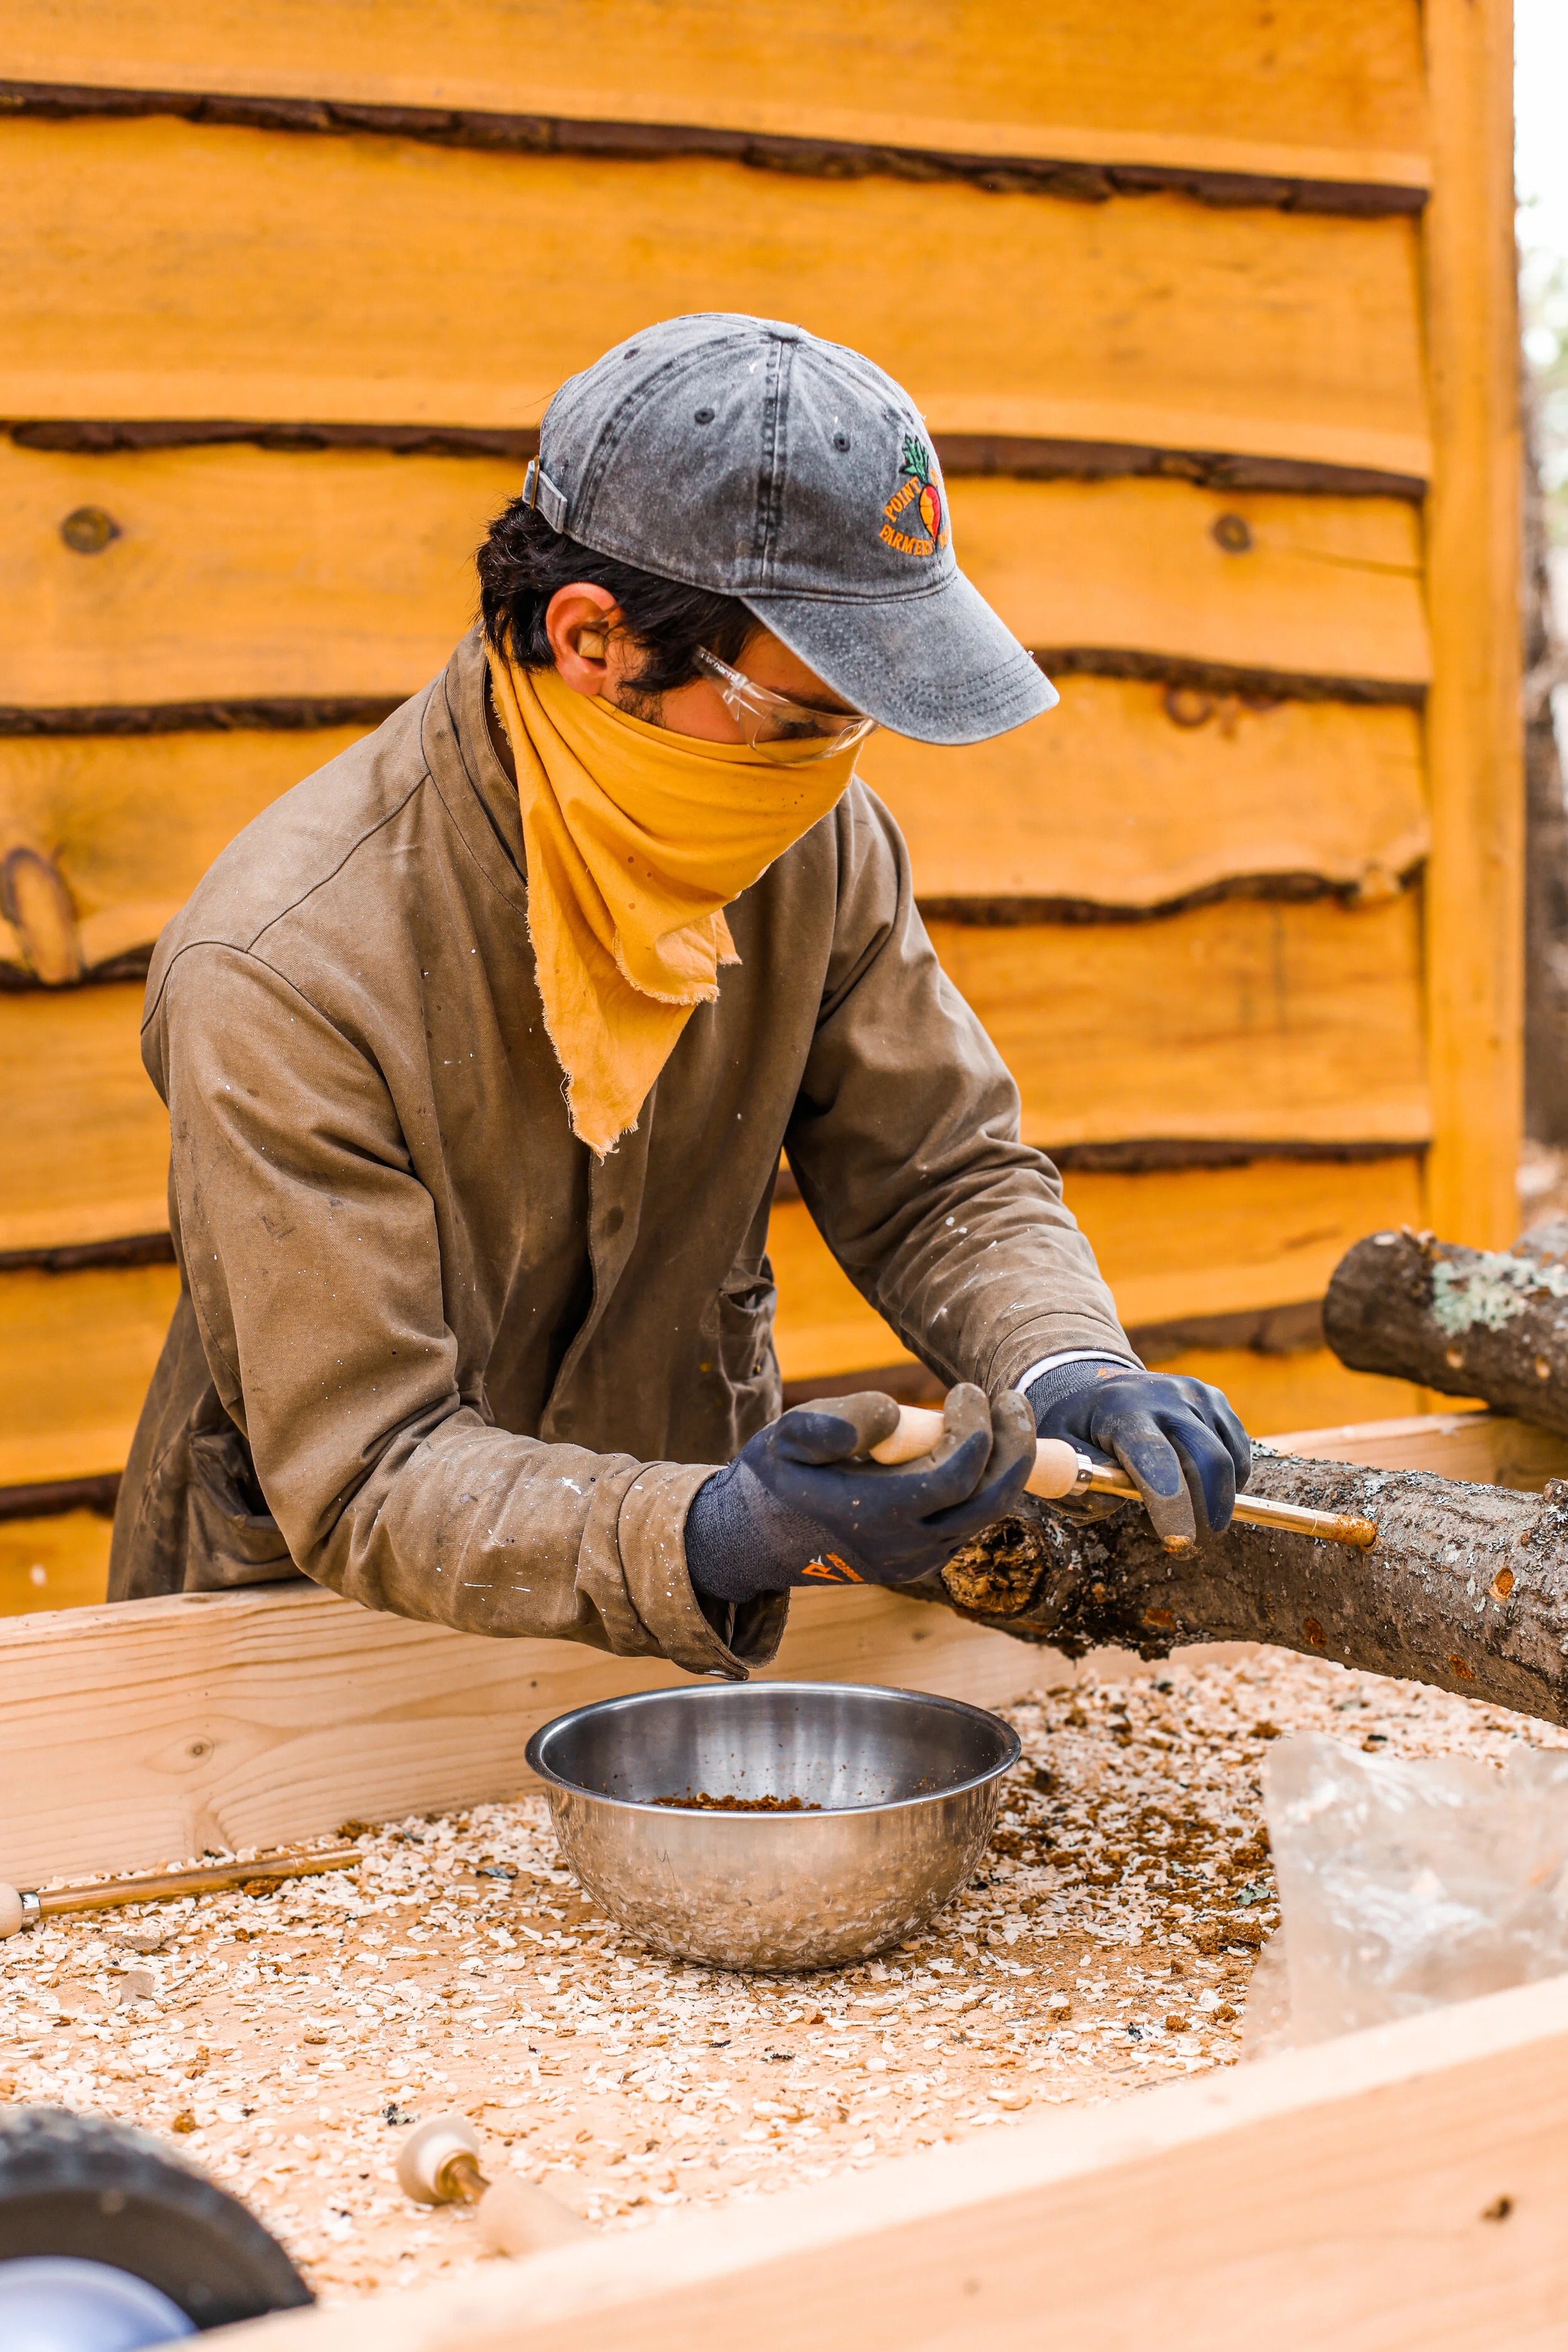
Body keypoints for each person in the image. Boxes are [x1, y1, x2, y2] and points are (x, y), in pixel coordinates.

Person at [109, 312, 1249, 1677]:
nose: (830, 768)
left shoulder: (814, 839)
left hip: (663, 1606)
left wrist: (1070, 1368)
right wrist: (718, 1527)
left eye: (860, 719)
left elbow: (939, 1174)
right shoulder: (281, 964)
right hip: (309, 1653)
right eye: (802, 713)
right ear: (593, 638)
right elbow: (366, 1468)